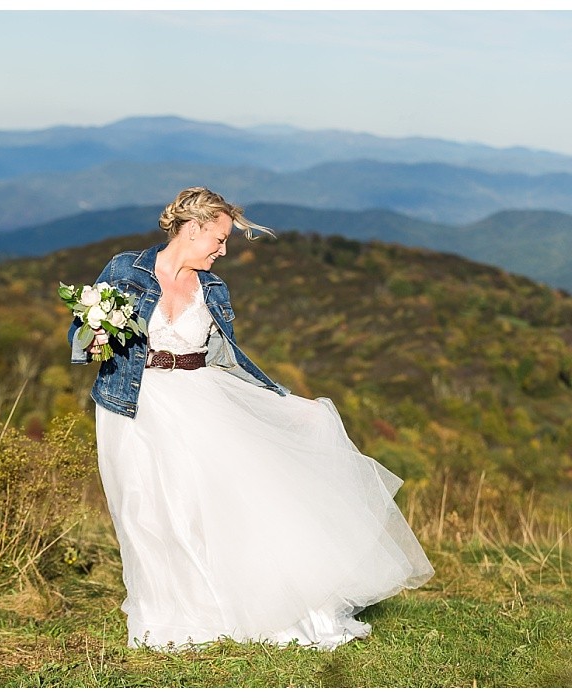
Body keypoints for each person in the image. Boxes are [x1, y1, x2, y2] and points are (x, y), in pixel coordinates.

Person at [69, 187, 433, 650]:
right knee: (144, 513)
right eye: (218, 239)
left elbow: (228, 359)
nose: (223, 250)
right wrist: (93, 336)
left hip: (200, 401)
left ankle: (221, 609)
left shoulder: (213, 289)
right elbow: (81, 338)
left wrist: (282, 401)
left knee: (202, 507)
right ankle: (165, 618)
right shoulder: (126, 269)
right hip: (131, 404)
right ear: (193, 228)